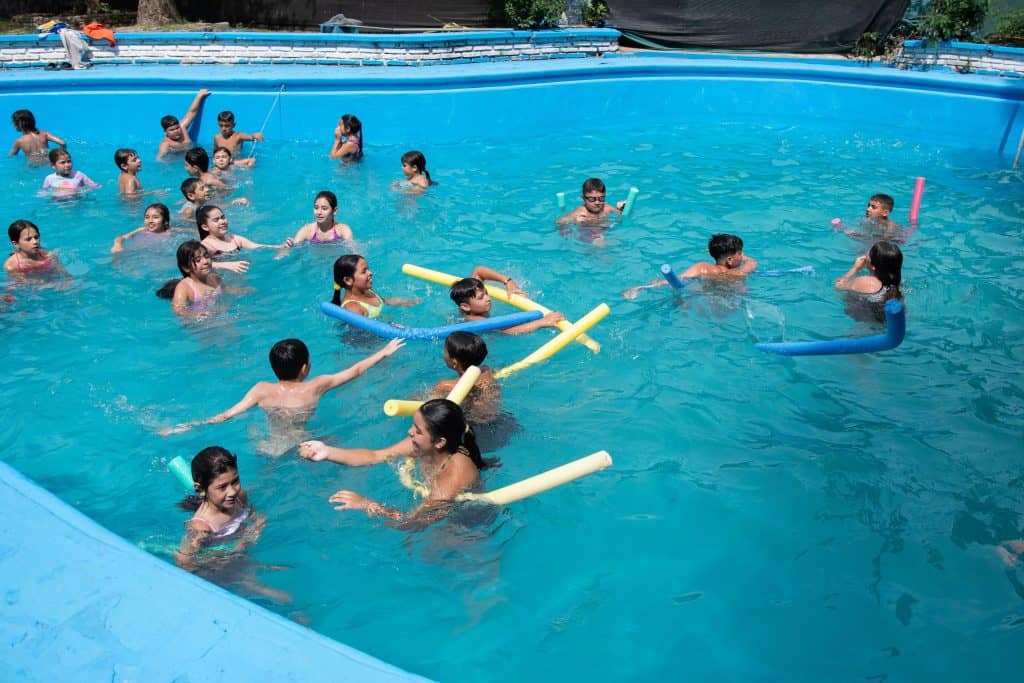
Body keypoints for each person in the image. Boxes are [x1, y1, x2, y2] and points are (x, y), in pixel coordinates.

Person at [298, 399, 489, 527]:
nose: (409, 432)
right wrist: (327, 451)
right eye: (413, 425)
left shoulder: (451, 476)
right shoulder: (420, 446)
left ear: (439, 442)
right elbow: (374, 456)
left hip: (466, 524)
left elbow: (411, 523)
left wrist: (367, 504)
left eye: (418, 430)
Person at [162, 338, 404, 435]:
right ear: (305, 369)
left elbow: (227, 415)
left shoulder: (261, 389)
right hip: (300, 441)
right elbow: (356, 370)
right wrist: (383, 352)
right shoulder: (315, 386)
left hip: (268, 445)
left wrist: (190, 426)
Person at [173, 446, 258, 570]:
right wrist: (229, 553)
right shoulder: (201, 527)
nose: (232, 492)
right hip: (220, 568)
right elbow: (184, 562)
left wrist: (250, 534)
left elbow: (254, 516)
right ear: (201, 489)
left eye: (235, 481)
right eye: (222, 487)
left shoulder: (240, 497)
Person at [622, 233, 759, 299]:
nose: (742, 257)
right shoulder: (738, 273)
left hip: (705, 296)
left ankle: (640, 289)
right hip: (731, 299)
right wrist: (740, 257)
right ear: (730, 259)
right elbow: (753, 263)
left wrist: (643, 287)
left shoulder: (704, 268)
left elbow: (678, 279)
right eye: (740, 253)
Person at [449, 268, 564, 335]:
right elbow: (508, 331)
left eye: (486, 293)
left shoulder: (470, 297)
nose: (488, 298)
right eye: (481, 297)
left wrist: (508, 282)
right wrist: (543, 322)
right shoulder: (476, 320)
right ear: (465, 307)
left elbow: (478, 271)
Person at [429, 332, 500, 424]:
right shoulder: (487, 370)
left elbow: (429, 408)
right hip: (498, 419)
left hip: (472, 424)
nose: (443, 354)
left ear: (454, 363)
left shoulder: (444, 386)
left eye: (445, 351)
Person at [155, 240, 231, 317]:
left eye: (206, 256)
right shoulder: (184, 288)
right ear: (186, 268)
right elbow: (178, 310)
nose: (205, 261)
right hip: (198, 323)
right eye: (198, 260)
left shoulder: (215, 279)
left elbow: (228, 291)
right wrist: (195, 315)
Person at [329, 254, 420, 319]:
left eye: (368, 269)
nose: (370, 273)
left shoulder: (366, 290)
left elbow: (383, 301)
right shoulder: (353, 309)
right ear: (348, 280)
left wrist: (406, 302)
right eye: (364, 271)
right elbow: (360, 340)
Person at [833, 240, 904, 322]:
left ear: (873, 265)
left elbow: (838, 286)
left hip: (866, 326)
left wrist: (855, 269)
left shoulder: (866, 282)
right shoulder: (896, 286)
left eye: (869, 254)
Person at [197, 204, 292, 256]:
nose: (222, 221)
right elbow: (197, 266)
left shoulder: (234, 239)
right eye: (216, 220)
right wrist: (225, 265)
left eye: (223, 217)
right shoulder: (206, 246)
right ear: (205, 227)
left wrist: (280, 247)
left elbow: (256, 246)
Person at [111, 202, 188, 253]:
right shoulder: (141, 230)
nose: (150, 221)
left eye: (155, 217)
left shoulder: (170, 231)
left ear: (165, 221)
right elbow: (121, 238)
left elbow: (192, 231)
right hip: (135, 253)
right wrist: (117, 244)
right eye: (147, 217)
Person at [157, 88, 210, 160]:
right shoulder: (166, 144)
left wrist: (199, 96)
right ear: (165, 131)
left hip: (196, 156)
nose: (176, 131)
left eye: (177, 128)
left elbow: (192, 112)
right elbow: (160, 159)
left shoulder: (182, 128)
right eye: (172, 130)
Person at [556, 178, 627, 225]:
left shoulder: (607, 208)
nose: (597, 202)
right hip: (588, 233)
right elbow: (559, 222)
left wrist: (622, 209)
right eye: (592, 199)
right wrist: (575, 222)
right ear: (583, 199)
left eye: (601, 198)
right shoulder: (580, 212)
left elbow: (624, 217)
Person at [835, 193, 902, 241]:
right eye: (868, 205)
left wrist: (853, 234)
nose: (868, 209)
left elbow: (881, 243)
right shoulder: (866, 221)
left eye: (873, 207)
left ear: (885, 213)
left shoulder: (891, 227)